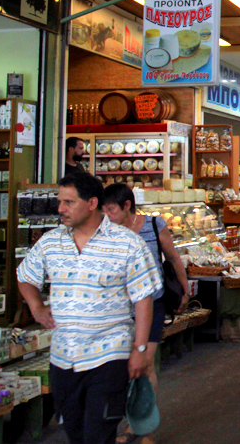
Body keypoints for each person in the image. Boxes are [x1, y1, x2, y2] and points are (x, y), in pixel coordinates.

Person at [17, 173, 161, 444]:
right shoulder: (50, 242)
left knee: (99, 434)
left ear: (92, 203)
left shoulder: (127, 243)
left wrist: (140, 350)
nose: (61, 209)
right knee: (75, 432)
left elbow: (143, 298)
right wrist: (36, 306)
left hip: (108, 356)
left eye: (69, 202)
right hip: (63, 358)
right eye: (60, 202)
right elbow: (25, 275)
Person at [102, 184, 191, 444]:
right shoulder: (107, 232)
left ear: (127, 206)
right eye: (104, 210)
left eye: (111, 209)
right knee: (119, 368)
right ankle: (121, 420)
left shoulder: (154, 225)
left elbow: (174, 259)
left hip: (152, 305)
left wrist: (185, 291)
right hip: (117, 310)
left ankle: (142, 426)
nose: (107, 215)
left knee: (145, 365)